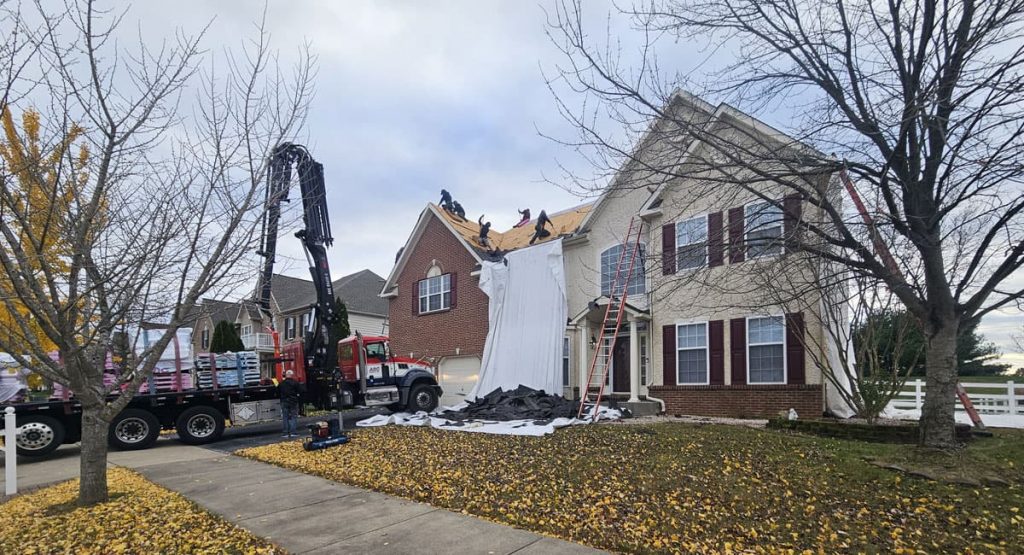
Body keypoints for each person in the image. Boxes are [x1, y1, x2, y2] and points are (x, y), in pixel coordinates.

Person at [279, 369, 305, 438]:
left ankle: (285, 433)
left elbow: (277, 391)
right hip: (293, 401)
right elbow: (301, 390)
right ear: (292, 375)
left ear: (286, 375)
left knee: (285, 417)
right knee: (293, 417)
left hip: (284, 401)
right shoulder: (295, 383)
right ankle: (293, 432)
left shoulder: (281, 383)